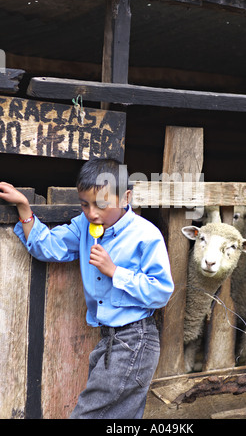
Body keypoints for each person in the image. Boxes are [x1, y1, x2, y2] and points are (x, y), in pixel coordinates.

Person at [0, 159, 174, 419]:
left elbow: (161, 291)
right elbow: (47, 248)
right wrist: (24, 207)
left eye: (101, 204)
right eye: (85, 204)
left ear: (126, 197)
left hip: (134, 340)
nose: (92, 213)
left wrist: (115, 272)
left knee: (87, 415)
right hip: (109, 340)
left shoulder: (145, 235)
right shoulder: (84, 226)